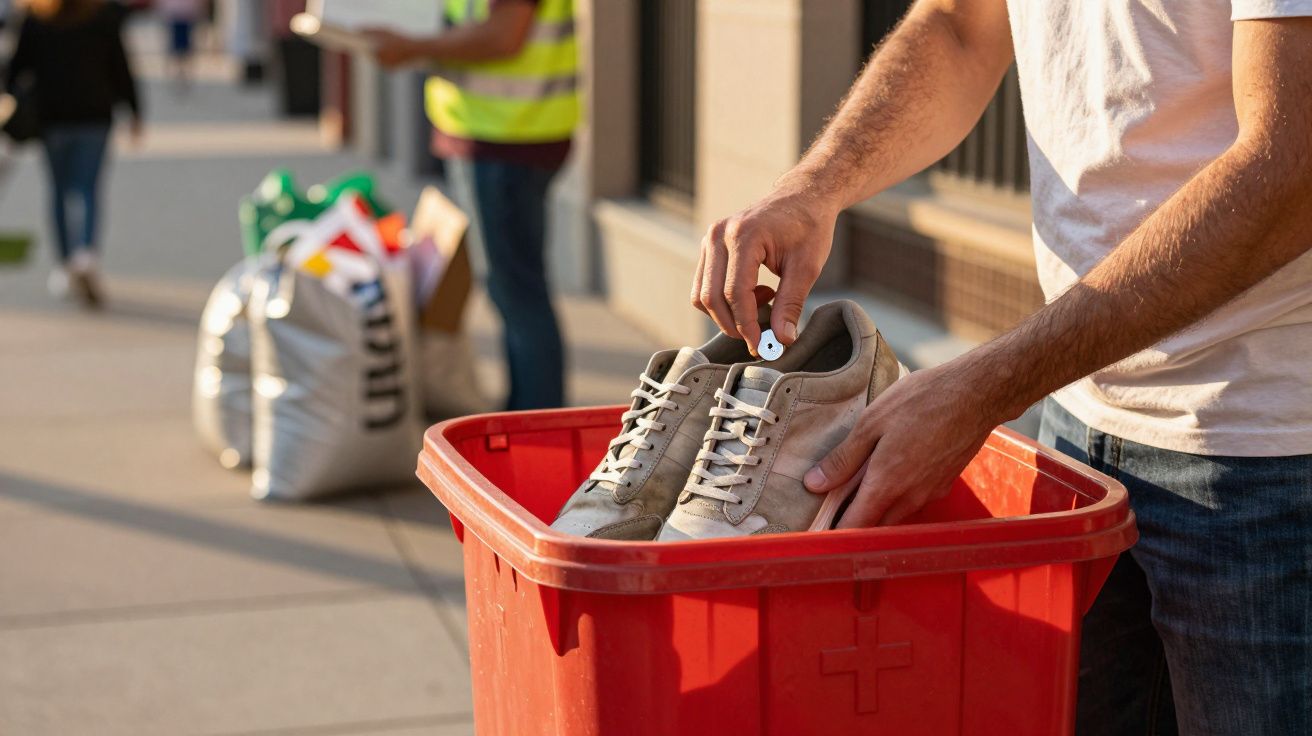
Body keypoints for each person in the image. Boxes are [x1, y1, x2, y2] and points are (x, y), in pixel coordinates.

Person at [695, 2, 1311, 734]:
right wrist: (814, 187)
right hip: (1078, 431)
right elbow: (959, 25)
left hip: (1266, 459)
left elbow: (1290, 164)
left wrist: (984, 387)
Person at [366, 0, 576, 411]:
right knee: (514, 288)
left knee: (517, 292)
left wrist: (413, 46)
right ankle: (530, 417)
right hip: (502, 134)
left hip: (507, 138)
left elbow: (502, 36)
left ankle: (534, 428)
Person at [5, 0, 142, 308]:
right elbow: (120, 65)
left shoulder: (35, 16)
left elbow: (15, 70)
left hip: (53, 118)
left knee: (59, 189)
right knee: (87, 187)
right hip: (95, 116)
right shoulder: (102, 13)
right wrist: (134, 110)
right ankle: (86, 253)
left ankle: (65, 263)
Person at [156, 0, 205, 92]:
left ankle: (183, 71)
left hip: (186, 14)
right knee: (176, 47)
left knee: (185, 47)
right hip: (176, 14)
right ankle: (177, 70)